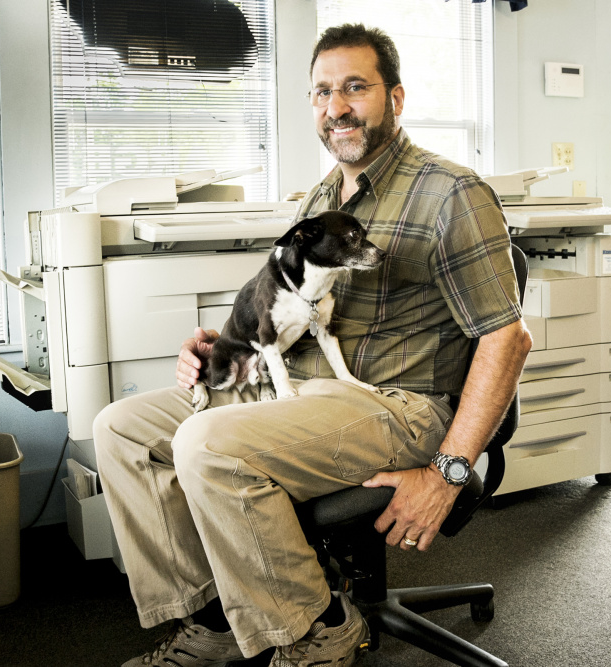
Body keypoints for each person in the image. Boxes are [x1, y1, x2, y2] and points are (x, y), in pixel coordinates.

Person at [93, 23, 532, 667]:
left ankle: (318, 627)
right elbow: (290, 303)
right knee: (123, 428)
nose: (336, 107)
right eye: (322, 92)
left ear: (397, 98)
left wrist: (449, 471)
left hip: (394, 404)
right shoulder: (324, 196)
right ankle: (218, 619)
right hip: (295, 384)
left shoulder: (451, 194)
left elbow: (508, 338)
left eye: (356, 87)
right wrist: (231, 346)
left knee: (206, 445)